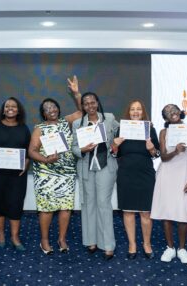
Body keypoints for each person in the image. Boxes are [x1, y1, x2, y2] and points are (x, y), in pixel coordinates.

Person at [28, 75, 82, 255]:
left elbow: (83, 112)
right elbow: (32, 151)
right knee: (47, 208)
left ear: (58, 109)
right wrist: (46, 160)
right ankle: (44, 240)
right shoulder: (39, 128)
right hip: (46, 174)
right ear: (43, 113)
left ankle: (62, 238)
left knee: (65, 207)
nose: (51, 109)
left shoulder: (66, 122)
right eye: (47, 108)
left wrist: (76, 93)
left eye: (53, 106)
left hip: (66, 173)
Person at [151, 104, 187, 264]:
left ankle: (182, 248)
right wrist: (176, 151)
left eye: (174, 109)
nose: (171, 113)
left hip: (186, 175)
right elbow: (163, 157)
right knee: (167, 213)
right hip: (166, 175)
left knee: (183, 213)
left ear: (180, 112)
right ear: (165, 118)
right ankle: (170, 247)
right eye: (167, 112)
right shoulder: (164, 132)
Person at [72, 91, 119, 260]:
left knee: (103, 203)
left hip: (106, 165)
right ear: (83, 106)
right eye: (86, 103)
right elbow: (74, 147)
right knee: (88, 204)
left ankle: (107, 244)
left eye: (93, 102)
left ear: (97, 103)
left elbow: (122, 135)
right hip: (86, 166)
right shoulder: (78, 123)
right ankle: (91, 240)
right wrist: (82, 150)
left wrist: (116, 144)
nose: (90, 106)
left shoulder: (109, 118)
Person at [111, 100, 160, 259]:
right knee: (128, 212)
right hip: (126, 174)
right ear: (128, 112)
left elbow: (157, 154)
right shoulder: (121, 129)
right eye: (132, 109)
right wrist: (115, 145)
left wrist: (151, 148)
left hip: (145, 174)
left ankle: (147, 243)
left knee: (145, 212)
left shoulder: (150, 129)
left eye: (139, 109)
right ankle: (132, 244)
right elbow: (114, 154)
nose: (136, 112)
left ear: (143, 112)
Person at [0, 97, 31, 251]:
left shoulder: (24, 128)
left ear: (18, 110)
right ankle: (1, 234)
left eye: (14, 106)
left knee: (16, 204)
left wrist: (27, 162)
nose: (10, 108)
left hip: (17, 175)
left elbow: (30, 150)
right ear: (3, 110)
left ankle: (15, 237)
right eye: (7, 106)